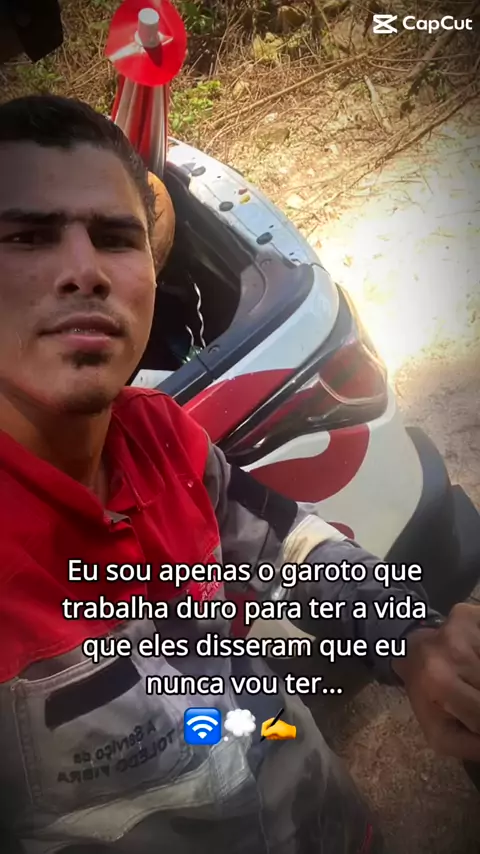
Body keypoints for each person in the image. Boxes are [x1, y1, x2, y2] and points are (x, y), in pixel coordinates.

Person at [1, 94, 480, 854]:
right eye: (28, 235)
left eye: (116, 238)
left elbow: (291, 547)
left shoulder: (160, 434)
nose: (85, 270)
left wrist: (411, 637)